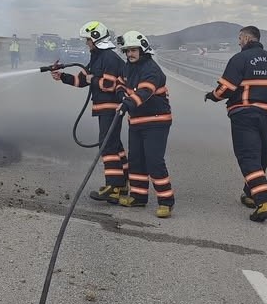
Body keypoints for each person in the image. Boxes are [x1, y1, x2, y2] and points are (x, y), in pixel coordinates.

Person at [204, 25, 267, 222]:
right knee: (261, 156)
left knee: (248, 156)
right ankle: (249, 194)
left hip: (244, 114)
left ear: (245, 38)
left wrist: (212, 96)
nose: (238, 42)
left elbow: (225, 89)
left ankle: (263, 201)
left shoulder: (239, 58)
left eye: (239, 38)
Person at [51, 21, 128, 202]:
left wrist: (93, 78)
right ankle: (123, 183)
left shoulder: (109, 58)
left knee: (107, 146)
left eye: (88, 40)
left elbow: (109, 85)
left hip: (111, 107)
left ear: (95, 37)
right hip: (104, 108)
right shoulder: (97, 57)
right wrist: (61, 76)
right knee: (115, 145)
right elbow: (82, 80)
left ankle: (114, 186)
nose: (86, 43)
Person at [115, 31, 175, 219]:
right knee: (136, 160)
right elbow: (120, 83)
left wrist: (127, 103)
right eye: (127, 51)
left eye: (133, 50)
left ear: (143, 49)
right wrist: (120, 95)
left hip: (156, 121)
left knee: (154, 161)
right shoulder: (128, 67)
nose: (129, 54)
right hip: (136, 121)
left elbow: (145, 92)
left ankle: (166, 201)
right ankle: (138, 197)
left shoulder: (151, 69)